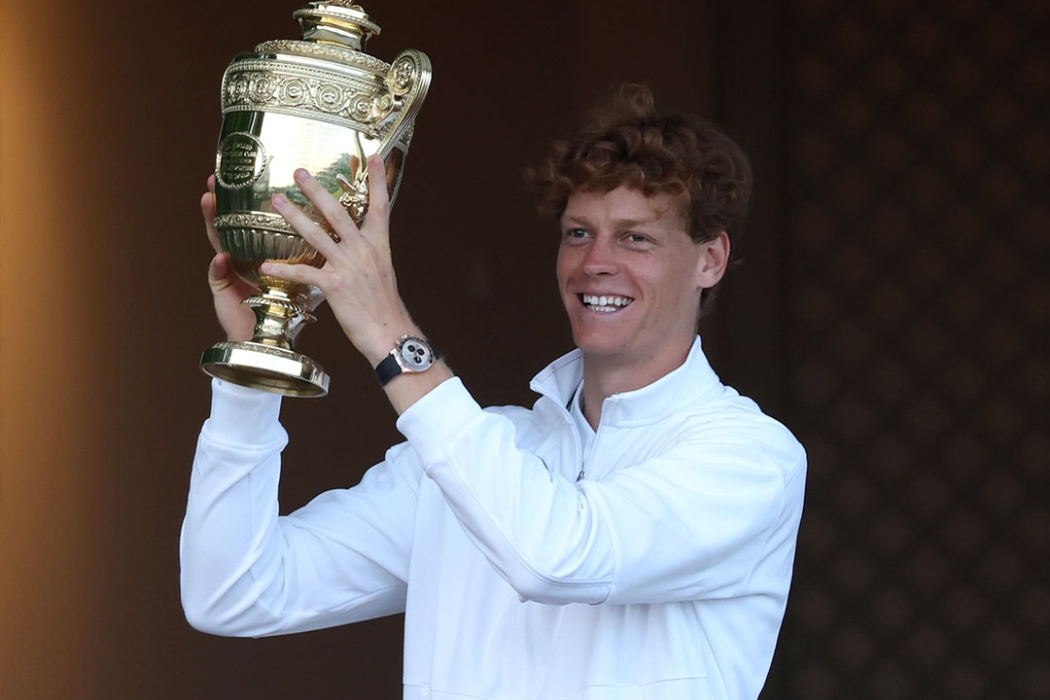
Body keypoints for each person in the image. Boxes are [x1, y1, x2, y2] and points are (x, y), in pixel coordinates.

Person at [181, 85, 806, 700]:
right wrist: (253, 365)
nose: (595, 261)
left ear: (710, 260)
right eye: (578, 233)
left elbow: (555, 557)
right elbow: (233, 593)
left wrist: (392, 336)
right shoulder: (474, 452)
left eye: (635, 237)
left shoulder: (751, 458)